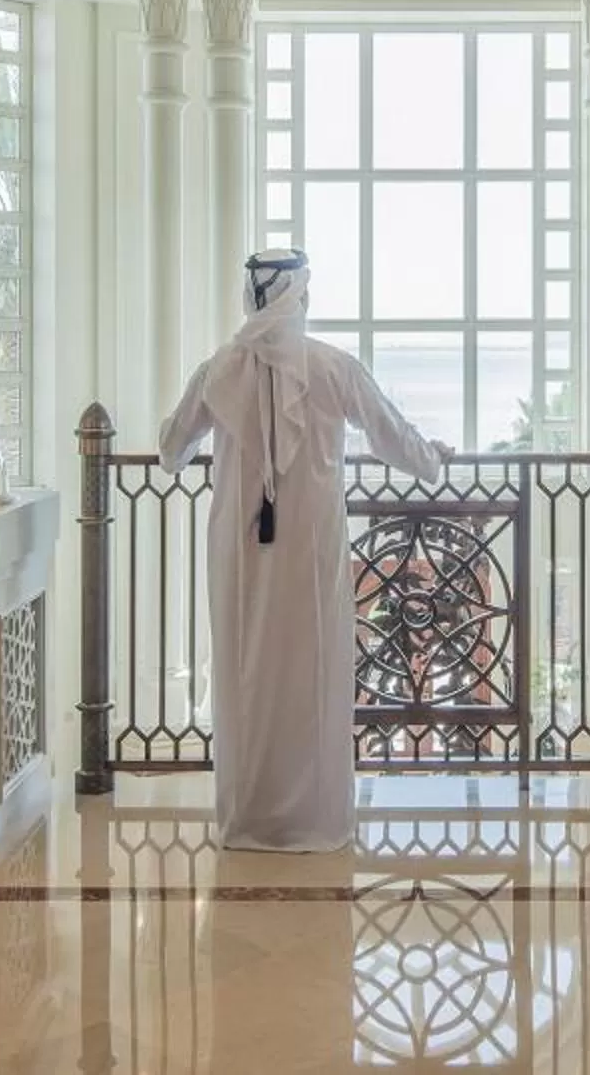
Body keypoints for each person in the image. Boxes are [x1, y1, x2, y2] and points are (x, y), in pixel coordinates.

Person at [160, 249, 447, 851]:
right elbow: (392, 434)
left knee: (247, 672)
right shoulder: (332, 367)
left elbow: (170, 448)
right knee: (313, 672)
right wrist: (434, 462)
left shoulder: (218, 371)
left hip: (240, 555)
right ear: (298, 298)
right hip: (312, 553)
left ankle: (250, 821)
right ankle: (315, 823)